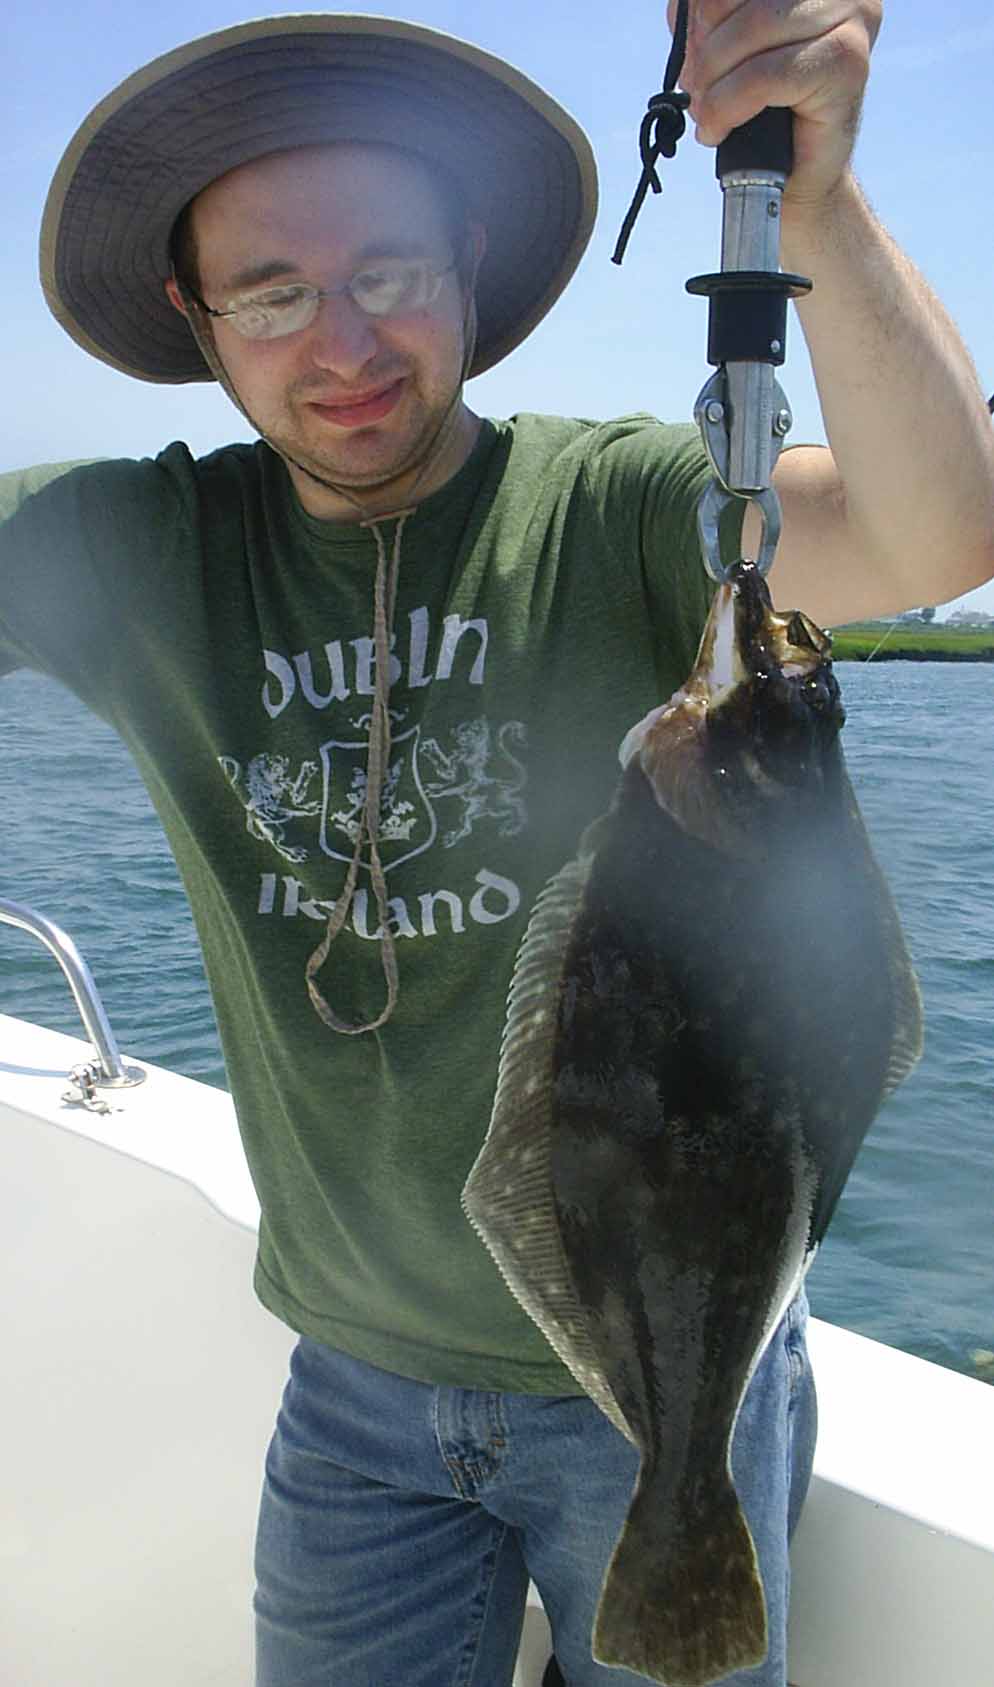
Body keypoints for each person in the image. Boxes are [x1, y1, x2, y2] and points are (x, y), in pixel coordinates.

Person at [3, 10, 992, 1687]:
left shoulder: (608, 509)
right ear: (197, 320)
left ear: (466, 265)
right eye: (270, 291)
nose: (344, 343)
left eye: (390, 268)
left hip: (677, 1375)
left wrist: (813, 207)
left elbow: (931, 533)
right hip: (348, 1385)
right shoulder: (135, 548)